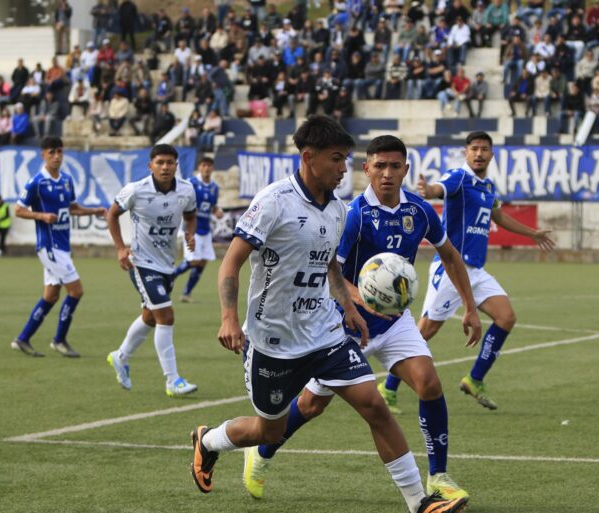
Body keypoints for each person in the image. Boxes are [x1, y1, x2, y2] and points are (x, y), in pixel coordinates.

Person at [189, 116, 468, 513]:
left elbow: (331, 267)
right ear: (308, 157)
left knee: (374, 404)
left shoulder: (336, 209)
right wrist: (228, 317)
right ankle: (209, 440)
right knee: (269, 428)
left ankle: (419, 503)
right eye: (337, 160)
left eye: (346, 160)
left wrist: (349, 306)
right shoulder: (273, 202)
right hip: (273, 341)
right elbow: (230, 263)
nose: (344, 169)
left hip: (324, 333)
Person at [380, 132, 555, 411]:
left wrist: (532, 233)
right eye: (474, 149)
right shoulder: (459, 178)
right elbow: (440, 188)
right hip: (451, 268)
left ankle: (475, 379)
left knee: (506, 317)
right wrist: (429, 191)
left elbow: (498, 216)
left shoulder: (487, 186)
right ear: (466, 152)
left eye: (484, 149)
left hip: (475, 270)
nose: (479, 154)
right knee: (425, 330)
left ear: (491, 154)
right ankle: (387, 389)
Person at [105, 144, 199, 395]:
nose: (165, 167)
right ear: (151, 166)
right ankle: (173, 380)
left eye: (170, 162)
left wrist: (190, 233)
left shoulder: (187, 190)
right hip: (141, 262)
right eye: (160, 162)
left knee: (150, 316)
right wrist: (120, 248)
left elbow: (190, 215)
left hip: (167, 263)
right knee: (165, 316)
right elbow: (111, 214)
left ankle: (120, 356)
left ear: (176, 165)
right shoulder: (136, 190)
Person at [11, 136, 107, 357]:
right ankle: (59, 340)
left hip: (62, 246)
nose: (56, 156)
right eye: (52, 152)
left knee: (51, 297)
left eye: (60, 152)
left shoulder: (66, 180)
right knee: (76, 291)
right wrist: (41, 215)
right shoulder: (36, 182)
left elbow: (72, 208)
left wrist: (95, 211)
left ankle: (23, 339)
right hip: (49, 247)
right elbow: (18, 210)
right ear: (43, 154)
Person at [174, 157, 223, 302]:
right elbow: (181, 200)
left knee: (203, 262)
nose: (206, 168)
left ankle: (186, 293)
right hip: (192, 228)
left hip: (205, 229)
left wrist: (217, 211)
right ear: (199, 167)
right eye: (204, 165)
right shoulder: (191, 183)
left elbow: (212, 206)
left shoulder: (214, 187)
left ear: (212, 168)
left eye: (209, 165)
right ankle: (171, 276)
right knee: (194, 261)